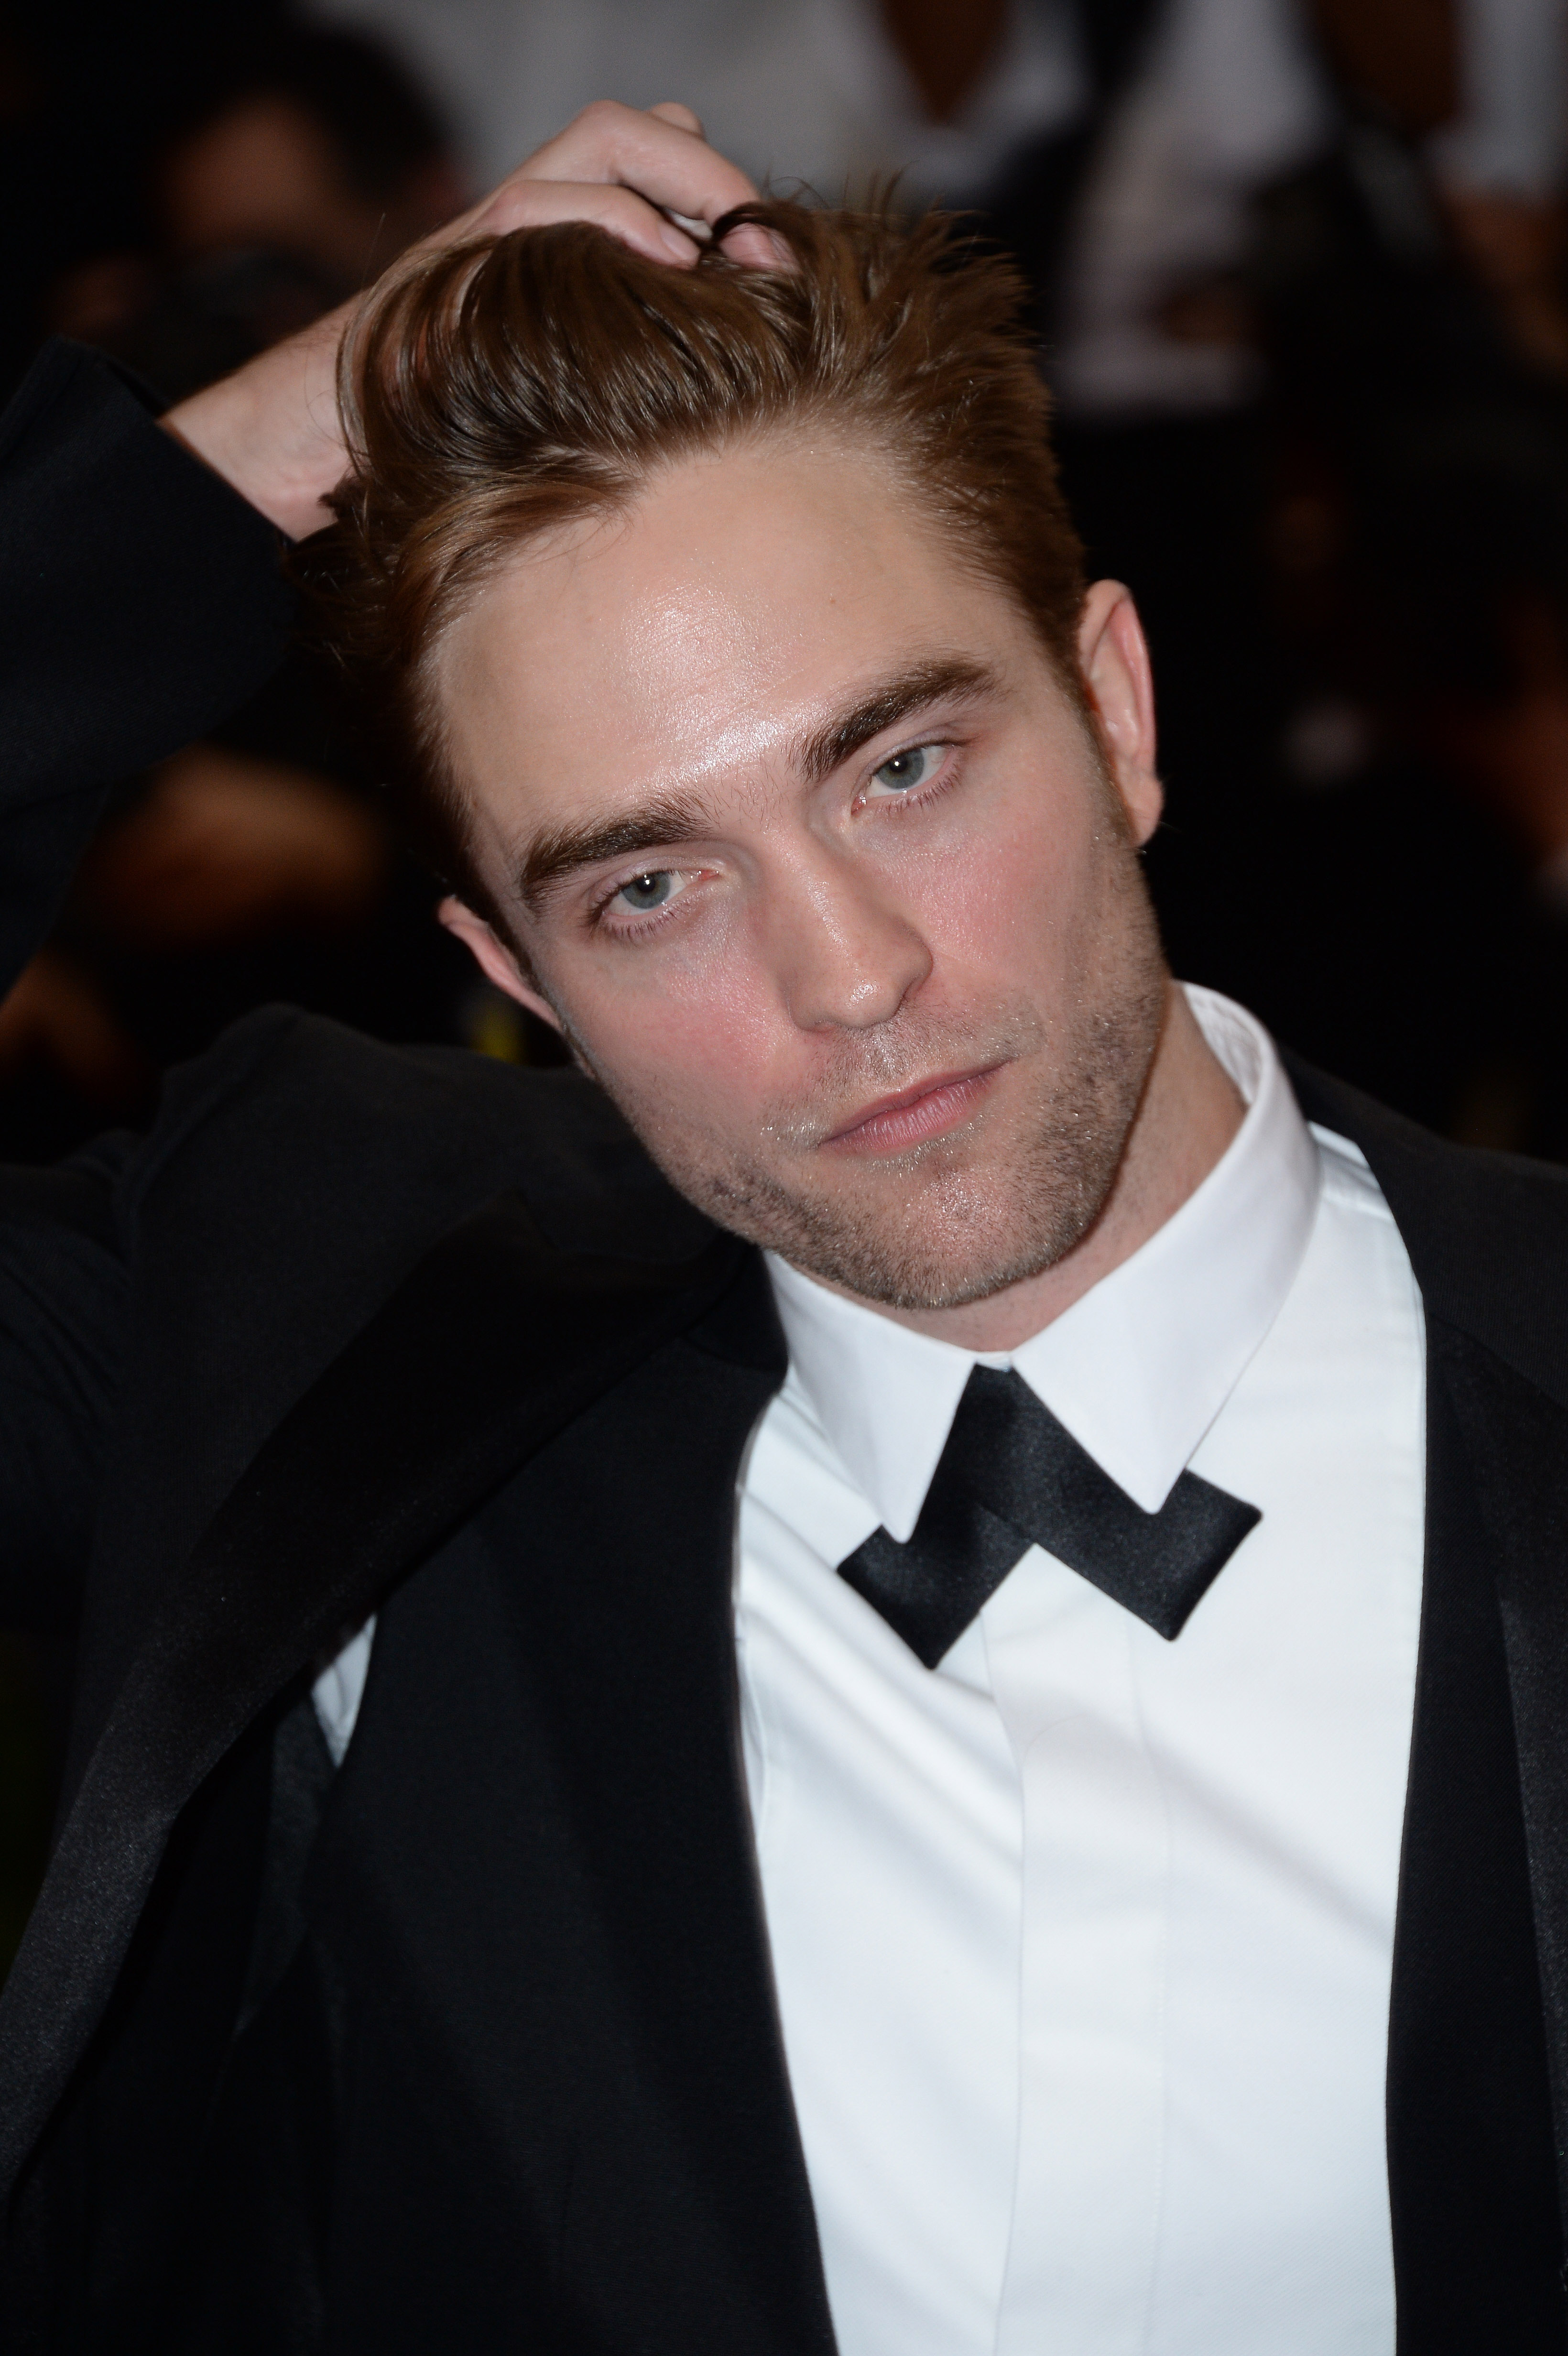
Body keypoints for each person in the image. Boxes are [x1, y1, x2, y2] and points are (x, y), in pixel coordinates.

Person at [0, 98, 1565, 2356]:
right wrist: (201, 483)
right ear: (519, 977)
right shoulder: (310, 1319)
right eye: (651, 885)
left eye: (899, 767)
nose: (848, 977)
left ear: (1113, 707)